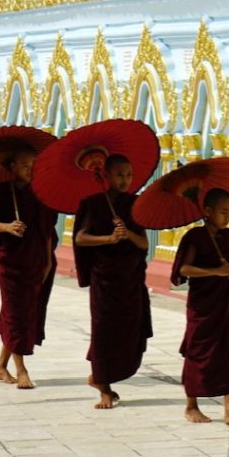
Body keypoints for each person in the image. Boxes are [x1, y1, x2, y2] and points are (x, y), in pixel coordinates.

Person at [171, 188, 229, 425]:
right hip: (203, 304)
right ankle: (191, 405)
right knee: (198, 351)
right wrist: (214, 272)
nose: (227, 216)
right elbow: (183, 269)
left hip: (226, 300)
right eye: (222, 212)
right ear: (207, 212)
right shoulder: (195, 237)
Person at [73, 154, 152, 409]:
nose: (125, 179)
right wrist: (108, 239)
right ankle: (104, 388)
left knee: (130, 331)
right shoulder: (94, 204)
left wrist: (126, 233)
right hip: (105, 279)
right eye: (119, 174)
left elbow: (143, 243)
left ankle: (98, 376)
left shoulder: (136, 204)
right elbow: (81, 238)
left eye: (128, 174)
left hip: (130, 279)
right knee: (104, 330)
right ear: (106, 175)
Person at [0, 146, 58, 389]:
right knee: (16, 313)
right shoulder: (4, 191)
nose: (30, 170)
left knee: (23, 313)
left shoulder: (43, 193)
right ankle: (21, 369)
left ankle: (1, 366)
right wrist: (7, 227)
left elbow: (47, 231)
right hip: (10, 262)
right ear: (13, 167)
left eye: (34, 166)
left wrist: (47, 262)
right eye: (25, 166)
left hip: (37, 260)